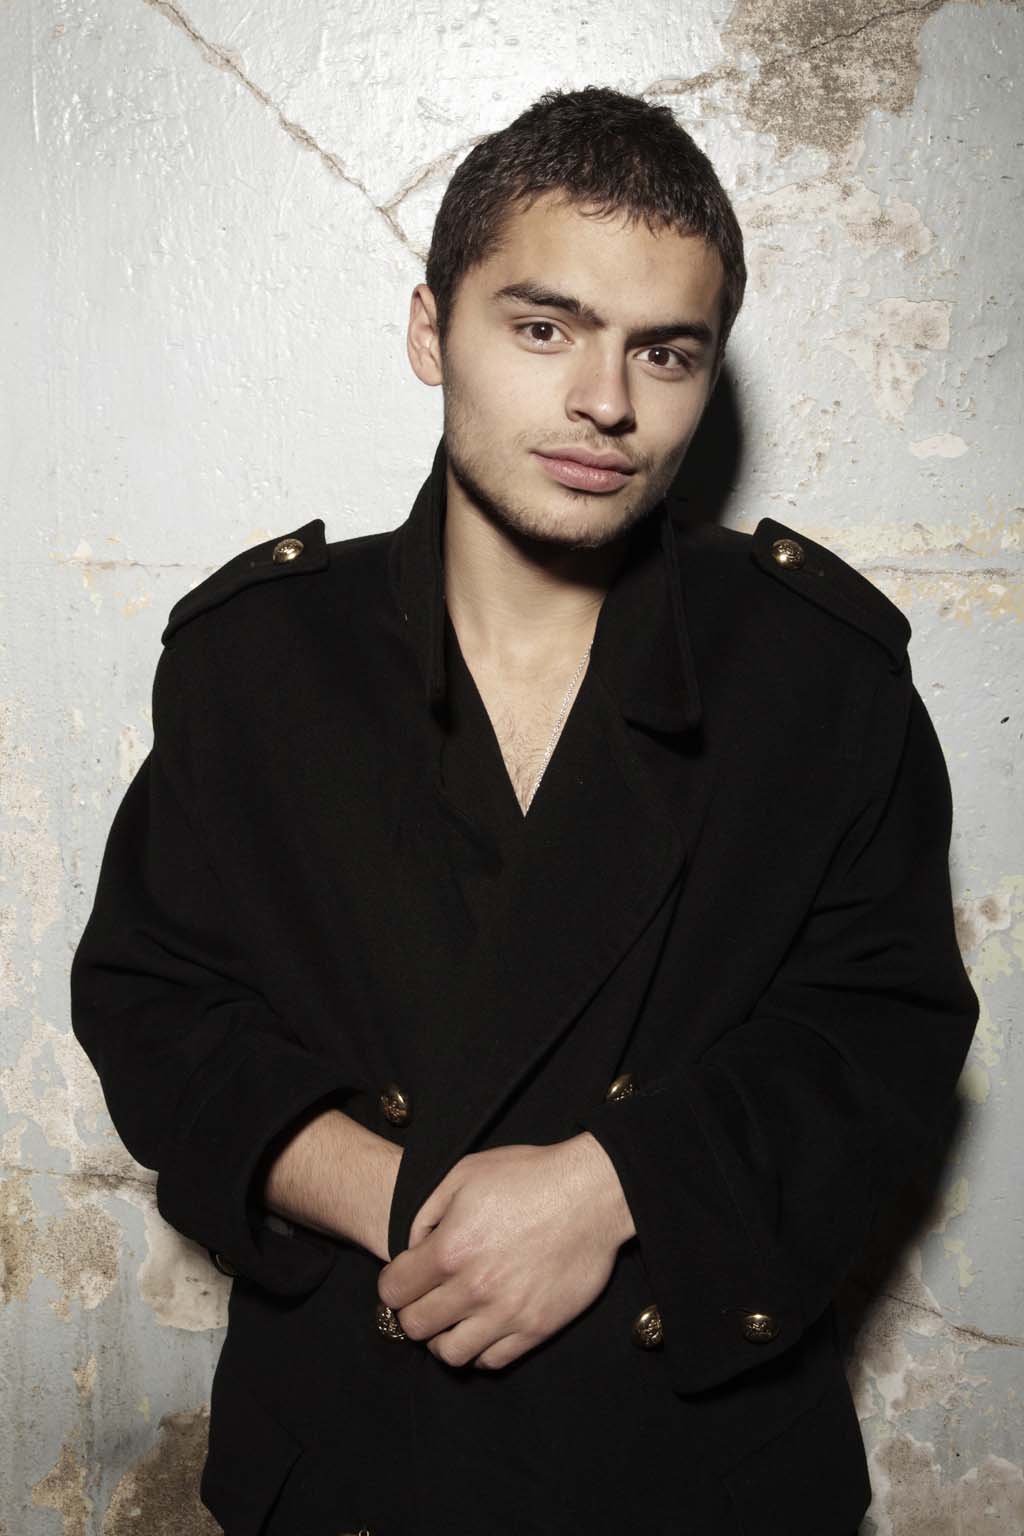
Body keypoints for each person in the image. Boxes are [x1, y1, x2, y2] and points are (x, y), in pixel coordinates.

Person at [70, 85, 979, 1536]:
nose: (606, 403)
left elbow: (882, 1035)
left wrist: (613, 1187)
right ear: (431, 332)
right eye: (545, 328)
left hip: (697, 1470)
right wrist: (403, 1199)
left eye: (663, 352)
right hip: (357, 1449)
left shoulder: (820, 676)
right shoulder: (259, 661)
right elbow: (154, 1006)